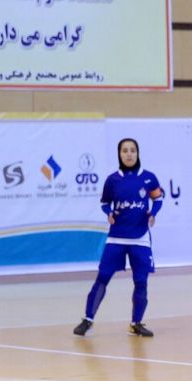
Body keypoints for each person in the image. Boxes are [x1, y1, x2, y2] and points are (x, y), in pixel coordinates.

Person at [73, 138, 164, 337]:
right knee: (102, 278)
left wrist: (153, 213)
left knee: (141, 281)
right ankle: (88, 320)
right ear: (119, 154)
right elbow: (104, 202)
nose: (129, 154)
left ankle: (136, 323)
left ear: (137, 153)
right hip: (116, 238)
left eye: (132, 150)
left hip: (140, 238)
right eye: (125, 151)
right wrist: (109, 213)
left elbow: (158, 197)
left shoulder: (149, 178)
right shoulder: (112, 180)